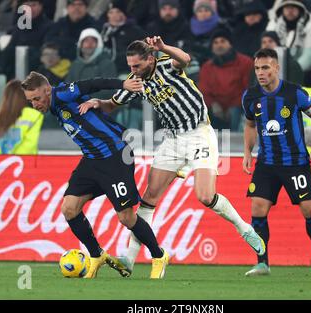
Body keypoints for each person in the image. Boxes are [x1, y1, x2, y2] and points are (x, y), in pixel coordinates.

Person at [79, 36, 266, 277]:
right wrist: (98, 101)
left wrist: (164, 47)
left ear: (149, 59)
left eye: (136, 65)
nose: (132, 70)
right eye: (130, 66)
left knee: (205, 196)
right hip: (173, 140)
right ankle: (129, 259)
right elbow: (113, 104)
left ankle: (244, 228)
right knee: (148, 199)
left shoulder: (166, 64)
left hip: (199, 134)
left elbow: (185, 59)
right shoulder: (136, 81)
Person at [21, 71, 169, 279]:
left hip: (115, 155)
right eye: (30, 101)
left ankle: (159, 255)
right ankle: (96, 254)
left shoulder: (62, 94)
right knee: (69, 209)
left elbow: (93, 82)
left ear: (47, 90)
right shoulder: (54, 107)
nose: (35, 104)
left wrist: (123, 84)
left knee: (126, 218)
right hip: (91, 160)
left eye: (37, 98)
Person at [241, 48, 311, 276]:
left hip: (295, 162)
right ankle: (262, 263)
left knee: (309, 209)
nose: (260, 73)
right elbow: (250, 124)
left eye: (265, 68)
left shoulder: (295, 93)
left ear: (276, 68)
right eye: (257, 68)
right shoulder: (251, 96)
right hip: (267, 162)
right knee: (257, 208)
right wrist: (247, 152)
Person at [198, 28, 253, 131]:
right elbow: (204, 91)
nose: (219, 45)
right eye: (215, 42)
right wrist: (213, 104)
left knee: (236, 112)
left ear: (230, 44)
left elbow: (247, 89)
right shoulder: (207, 67)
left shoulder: (246, 62)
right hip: (214, 108)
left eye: (223, 41)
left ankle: (237, 145)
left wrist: (233, 106)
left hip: (238, 107)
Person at [0, 80, 44, 154]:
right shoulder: (34, 116)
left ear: (5, 97)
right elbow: (29, 147)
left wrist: (4, 162)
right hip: (24, 164)